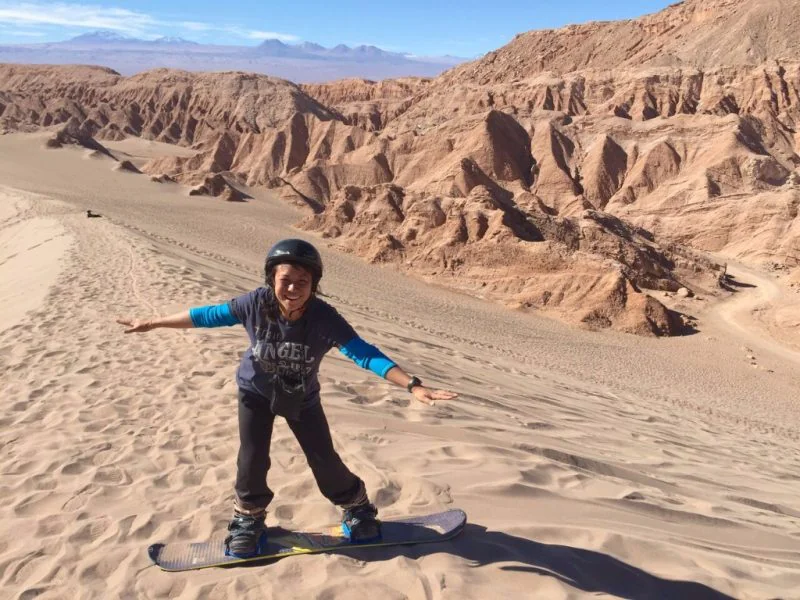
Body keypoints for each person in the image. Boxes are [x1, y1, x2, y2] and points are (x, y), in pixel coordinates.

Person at [116, 238, 458, 558]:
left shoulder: (324, 318)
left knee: (324, 460)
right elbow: (206, 316)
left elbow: (363, 353)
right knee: (251, 459)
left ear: (314, 284)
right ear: (271, 279)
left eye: (303, 281)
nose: (293, 289)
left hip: (302, 399)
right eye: (285, 279)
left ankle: (356, 508)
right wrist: (154, 322)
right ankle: (248, 519)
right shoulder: (254, 304)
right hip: (255, 393)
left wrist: (412, 384)